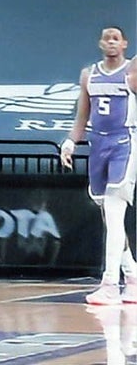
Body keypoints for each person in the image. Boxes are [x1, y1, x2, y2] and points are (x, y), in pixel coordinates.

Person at [60, 27, 137, 304]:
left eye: (116, 38)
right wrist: (70, 143)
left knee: (115, 214)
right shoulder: (88, 74)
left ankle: (109, 284)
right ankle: (132, 276)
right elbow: (82, 116)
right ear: (100, 43)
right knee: (108, 217)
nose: (111, 42)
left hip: (124, 142)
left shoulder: (131, 71)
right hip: (98, 145)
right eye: (107, 38)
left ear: (125, 43)